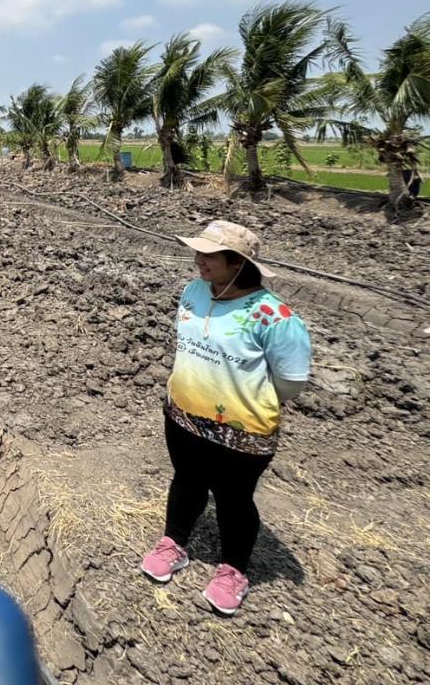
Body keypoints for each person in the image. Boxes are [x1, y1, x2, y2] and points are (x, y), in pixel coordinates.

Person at [140, 220, 312, 615]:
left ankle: (233, 569)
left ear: (238, 263)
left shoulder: (275, 317)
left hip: (243, 431)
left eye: (209, 255)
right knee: (186, 482)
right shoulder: (194, 291)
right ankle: (174, 543)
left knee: (234, 500)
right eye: (197, 252)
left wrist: (242, 399)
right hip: (183, 416)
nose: (198, 261)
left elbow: (290, 382)